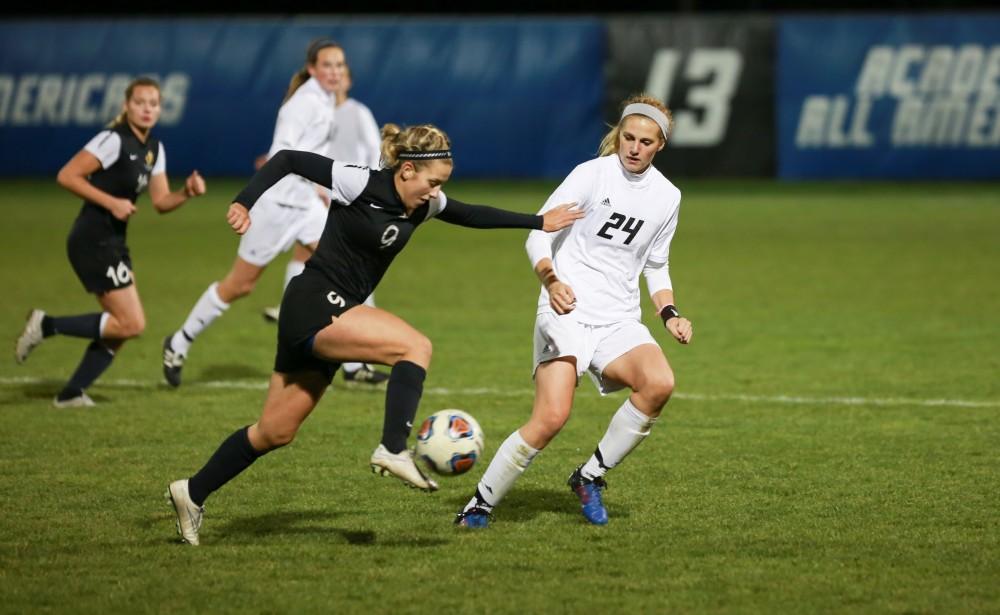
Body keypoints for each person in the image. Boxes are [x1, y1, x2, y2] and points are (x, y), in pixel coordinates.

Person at [165, 123, 584, 546]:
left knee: (274, 431)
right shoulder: (359, 181)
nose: (435, 192)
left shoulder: (424, 204)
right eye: (432, 182)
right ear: (405, 171)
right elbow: (289, 159)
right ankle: (391, 447)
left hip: (335, 312)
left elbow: (471, 214)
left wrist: (539, 221)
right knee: (414, 346)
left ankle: (192, 492)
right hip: (314, 302)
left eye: (441, 185)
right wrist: (244, 202)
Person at [455, 94, 694, 528]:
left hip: (618, 318)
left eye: (645, 141)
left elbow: (656, 265)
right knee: (551, 417)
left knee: (659, 383)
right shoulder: (591, 176)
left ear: (660, 146)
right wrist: (552, 280)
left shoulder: (667, 197)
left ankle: (589, 477)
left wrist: (670, 313)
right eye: (628, 137)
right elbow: (537, 234)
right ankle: (479, 505)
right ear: (617, 135)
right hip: (566, 308)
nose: (634, 148)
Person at [161, 39, 345, 388]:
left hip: (305, 203)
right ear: (312, 68)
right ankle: (179, 341)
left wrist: (320, 189)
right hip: (277, 207)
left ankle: (338, 358)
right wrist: (254, 196)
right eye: (328, 65)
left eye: (339, 65)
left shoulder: (325, 100)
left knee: (338, 261)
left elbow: (310, 153)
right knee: (240, 285)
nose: (335, 72)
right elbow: (284, 155)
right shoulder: (303, 104)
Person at [13, 77, 206, 407]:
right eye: (140, 102)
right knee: (131, 323)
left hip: (113, 240)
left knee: (122, 328)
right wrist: (111, 202)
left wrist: (186, 193)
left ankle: (71, 393)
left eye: (153, 104)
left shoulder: (154, 150)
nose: (147, 109)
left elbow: (160, 202)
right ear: (126, 106)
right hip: (92, 238)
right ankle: (46, 325)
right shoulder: (113, 140)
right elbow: (67, 175)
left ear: (160, 109)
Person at [261, 63, 389, 387]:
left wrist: (371, 190)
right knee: (312, 257)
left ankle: (348, 349)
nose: (336, 79)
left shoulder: (357, 112)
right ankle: (301, 314)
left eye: (343, 74)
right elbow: (304, 152)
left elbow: (375, 152)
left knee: (345, 264)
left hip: (351, 195)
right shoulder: (315, 111)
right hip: (319, 193)